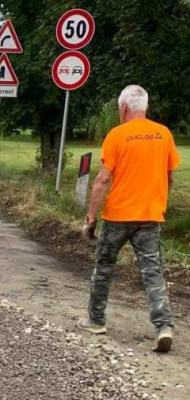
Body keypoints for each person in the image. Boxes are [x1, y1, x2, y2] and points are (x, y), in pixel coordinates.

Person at [79, 85, 180, 353]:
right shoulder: (164, 134)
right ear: (144, 107)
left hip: (118, 217)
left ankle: (96, 320)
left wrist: (91, 216)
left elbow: (102, 179)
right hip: (150, 216)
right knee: (153, 273)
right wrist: (158, 202)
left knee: (103, 268)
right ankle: (163, 327)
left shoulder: (117, 135)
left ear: (123, 108)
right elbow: (169, 178)